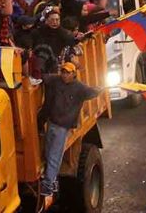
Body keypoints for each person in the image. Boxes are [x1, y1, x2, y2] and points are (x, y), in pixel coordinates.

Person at [38, 62, 102, 196]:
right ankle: (53, 182)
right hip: (52, 124)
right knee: (50, 154)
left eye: (68, 72)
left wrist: (101, 88)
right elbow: (44, 77)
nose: (64, 75)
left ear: (74, 74)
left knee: (54, 156)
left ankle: (48, 185)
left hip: (62, 128)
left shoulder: (80, 88)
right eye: (63, 72)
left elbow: (93, 92)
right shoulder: (56, 80)